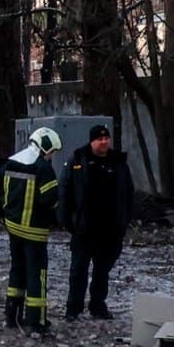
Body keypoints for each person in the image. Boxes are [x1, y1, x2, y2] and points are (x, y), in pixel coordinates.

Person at [61, 123, 135, 322]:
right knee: (78, 271)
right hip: (84, 229)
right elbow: (65, 193)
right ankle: (73, 308)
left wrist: (124, 221)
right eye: (99, 139)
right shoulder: (78, 161)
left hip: (110, 229)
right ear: (92, 141)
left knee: (102, 271)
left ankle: (98, 306)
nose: (104, 142)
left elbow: (128, 193)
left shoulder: (119, 163)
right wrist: (69, 222)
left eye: (106, 138)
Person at [0, 126, 61, 337]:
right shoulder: (43, 168)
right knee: (37, 275)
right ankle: (37, 322)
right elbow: (51, 199)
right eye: (52, 152)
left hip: (13, 228)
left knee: (17, 271)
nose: (52, 156)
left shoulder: (12, 161)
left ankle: (12, 315)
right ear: (45, 147)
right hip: (34, 231)